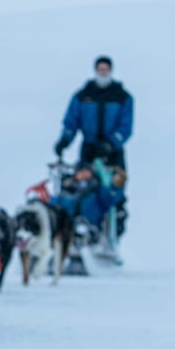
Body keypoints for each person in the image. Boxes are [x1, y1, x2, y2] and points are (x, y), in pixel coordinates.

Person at [54, 55, 133, 235]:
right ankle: (81, 227)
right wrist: (64, 140)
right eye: (100, 69)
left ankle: (112, 232)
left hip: (113, 153)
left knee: (114, 192)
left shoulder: (122, 97)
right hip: (89, 150)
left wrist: (111, 143)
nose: (103, 72)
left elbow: (126, 127)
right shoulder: (83, 95)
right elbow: (71, 121)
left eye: (106, 69)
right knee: (82, 187)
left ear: (111, 71)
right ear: (95, 70)